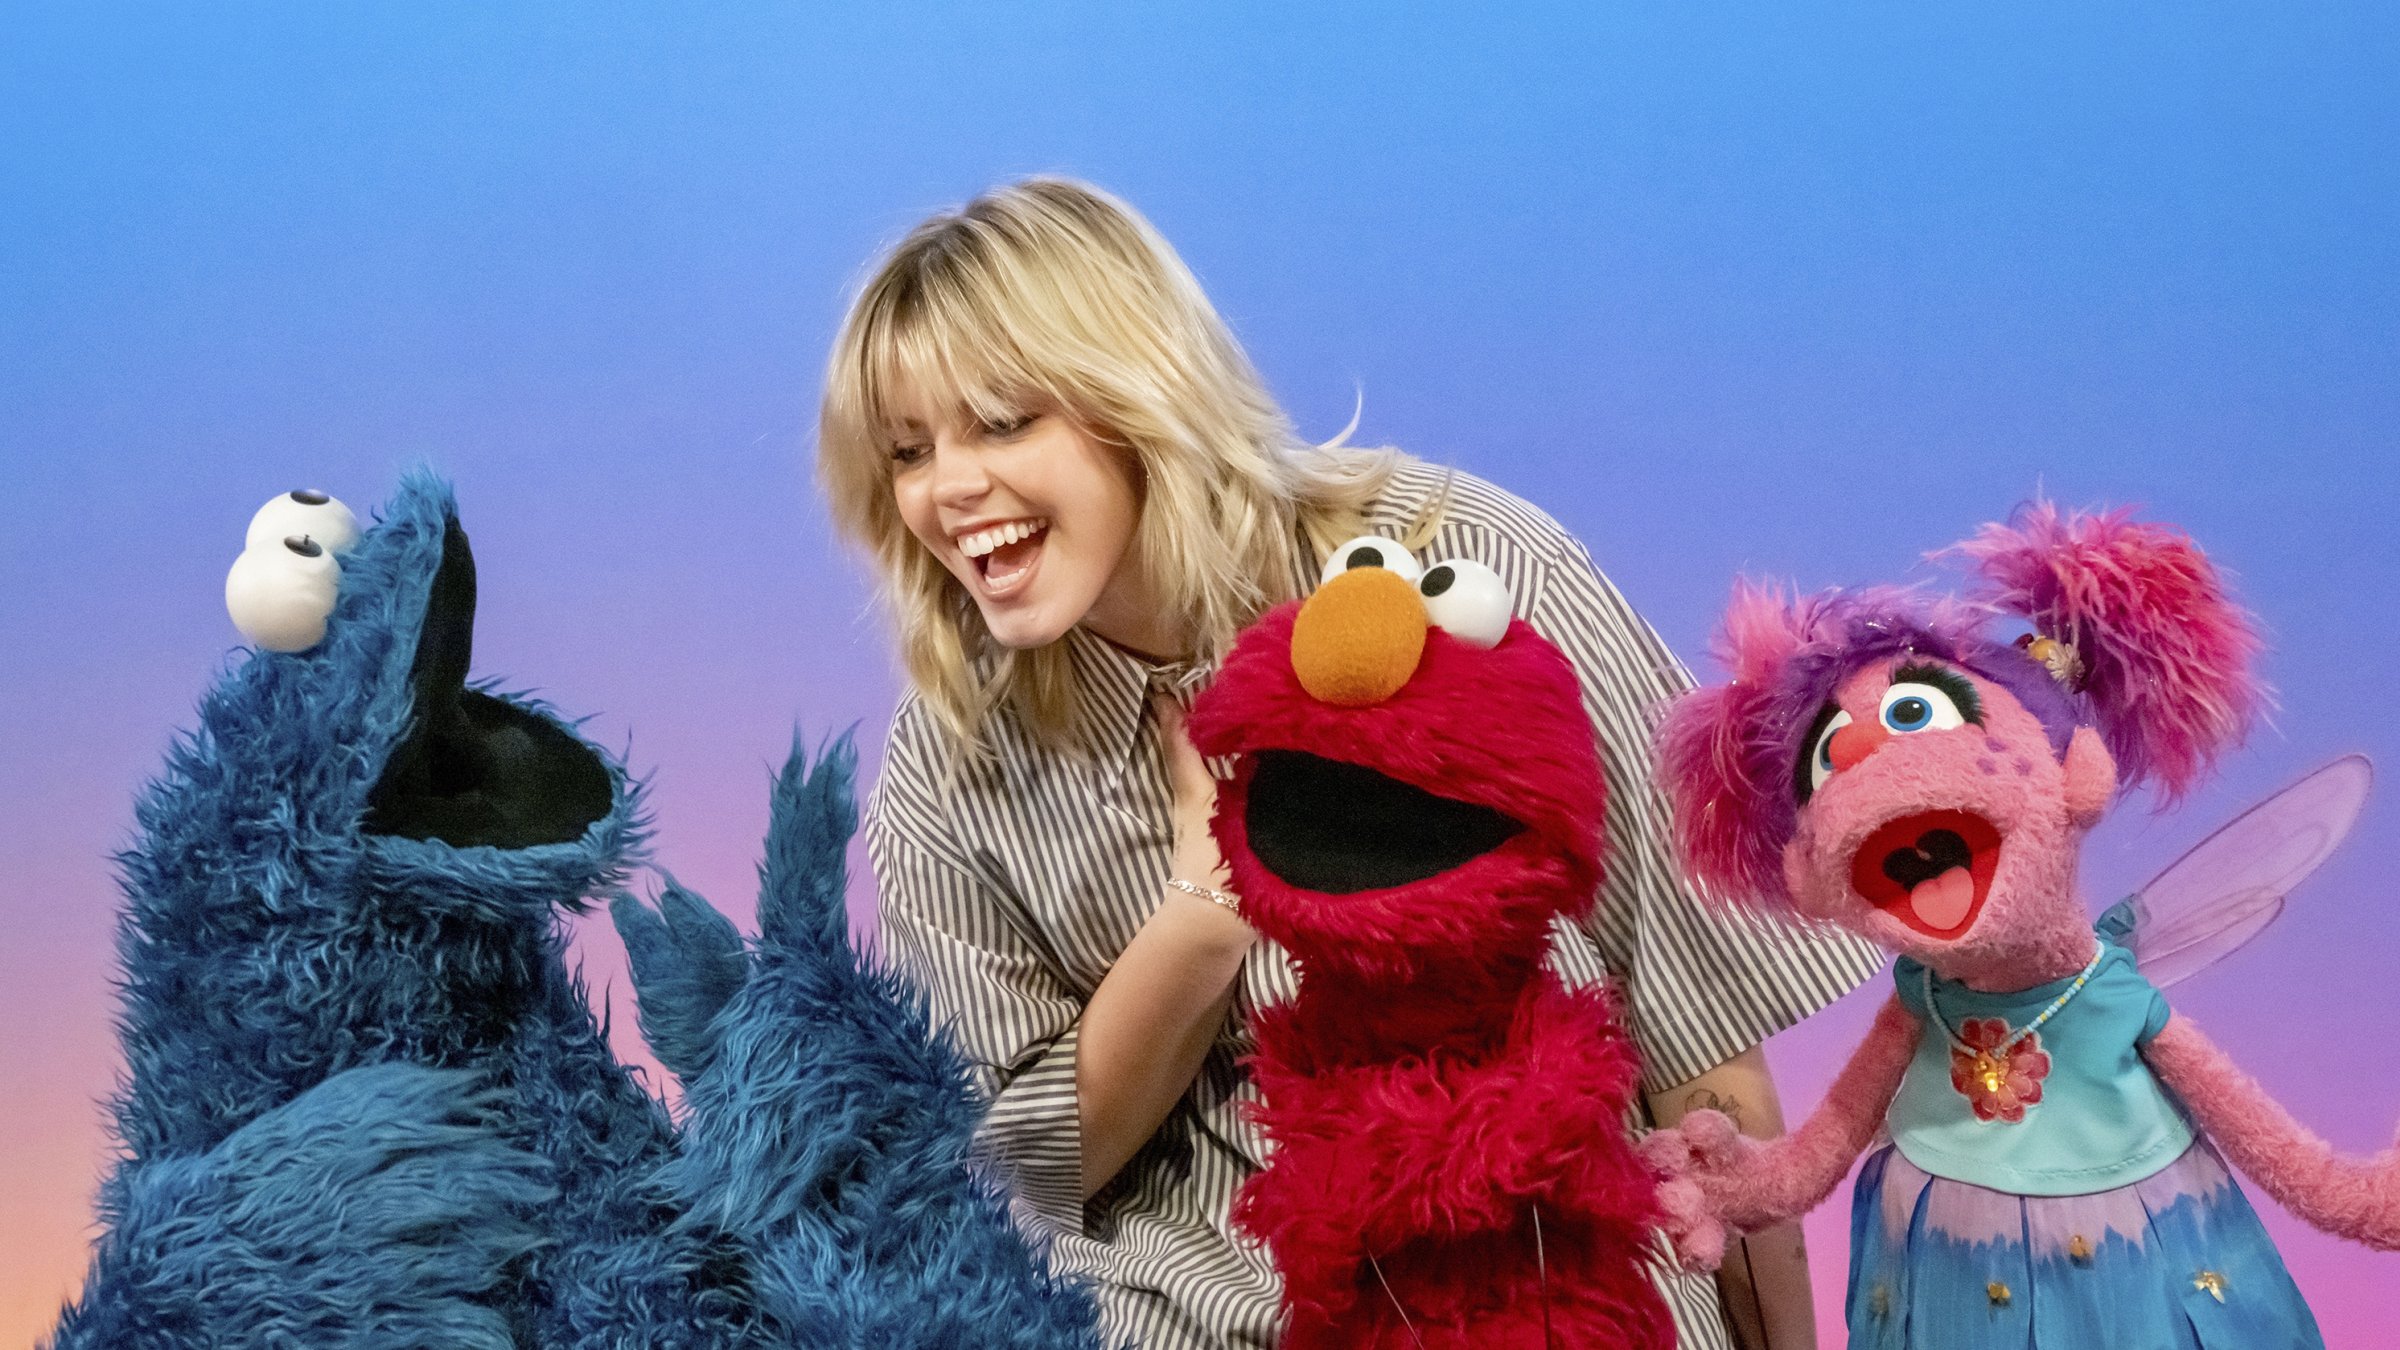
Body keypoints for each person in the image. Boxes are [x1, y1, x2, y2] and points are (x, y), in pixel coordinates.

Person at [814, 176, 1883, 1350]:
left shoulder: (1468, 565)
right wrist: (1201, 915)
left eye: (1004, 422)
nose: (948, 489)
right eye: (909, 451)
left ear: (1139, 395)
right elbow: (1012, 1174)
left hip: (1541, 1277)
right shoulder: (950, 762)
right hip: (1191, 1313)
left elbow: (1697, 1027)